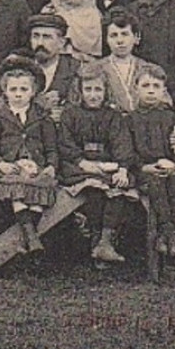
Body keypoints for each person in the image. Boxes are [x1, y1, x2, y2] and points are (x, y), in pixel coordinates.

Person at [54, 63, 138, 265]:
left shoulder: (113, 116)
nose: (93, 95)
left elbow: (122, 143)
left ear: (106, 91)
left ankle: (105, 241)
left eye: (98, 89)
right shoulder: (70, 114)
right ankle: (97, 242)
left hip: (106, 165)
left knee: (118, 187)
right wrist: (82, 162)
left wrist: (123, 168)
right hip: (78, 166)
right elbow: (65, 143)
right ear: (80, 91)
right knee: (94, 189)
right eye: (88, 89)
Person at [0, 63, 59, 267]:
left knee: (38, 194)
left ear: (32, 92)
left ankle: (28, 240)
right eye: (13, 89)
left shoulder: (42, 118)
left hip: (35, 170)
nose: (18, 94)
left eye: (24, 89)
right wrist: (1, 164)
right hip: (9, 171)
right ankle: (32, 240)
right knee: (18, 191)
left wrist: (50, 165)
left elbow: (51, 148)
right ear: (4, 92)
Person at [129, 63, 175, 261]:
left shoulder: (171, 117)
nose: (151, 91)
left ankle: (166, 236)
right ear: (135, 89)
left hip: (169, 169)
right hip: (144, 170)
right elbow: (126, 151)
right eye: (145, 86)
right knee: (155, 181)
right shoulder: (130, 119)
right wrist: (144, 166)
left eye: (156, 86)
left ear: (164, 90)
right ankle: (170, 232)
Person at [24, 13, 81, 120]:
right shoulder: (21, 68)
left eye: (47, 37)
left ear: (61, 43)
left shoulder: (75, 69)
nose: (40, 43)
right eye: (35, 36)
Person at [95, 8, 152, 113]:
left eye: (124, 34)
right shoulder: (95, 69)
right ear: (106, 40)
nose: (120, 41)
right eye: (113, 35)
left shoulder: (149, 70)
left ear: (136, 37)